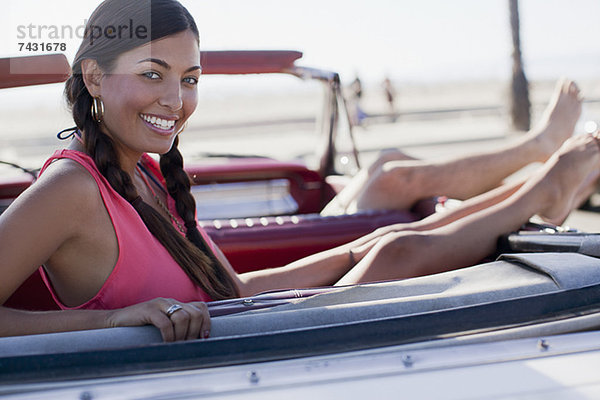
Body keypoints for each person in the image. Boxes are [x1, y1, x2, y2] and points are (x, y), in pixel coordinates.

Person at [1, 0, 599, 342]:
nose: (176, 100)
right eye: (153, 74)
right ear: (95, 77)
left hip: (239, 314)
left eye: (189, 80)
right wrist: (112, 321)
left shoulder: (141, 173)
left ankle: (541, 186)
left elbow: (229, 290)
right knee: (393, 258)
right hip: (225, 344)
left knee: (384, 240)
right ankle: (545, 185)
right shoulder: (74, 187)